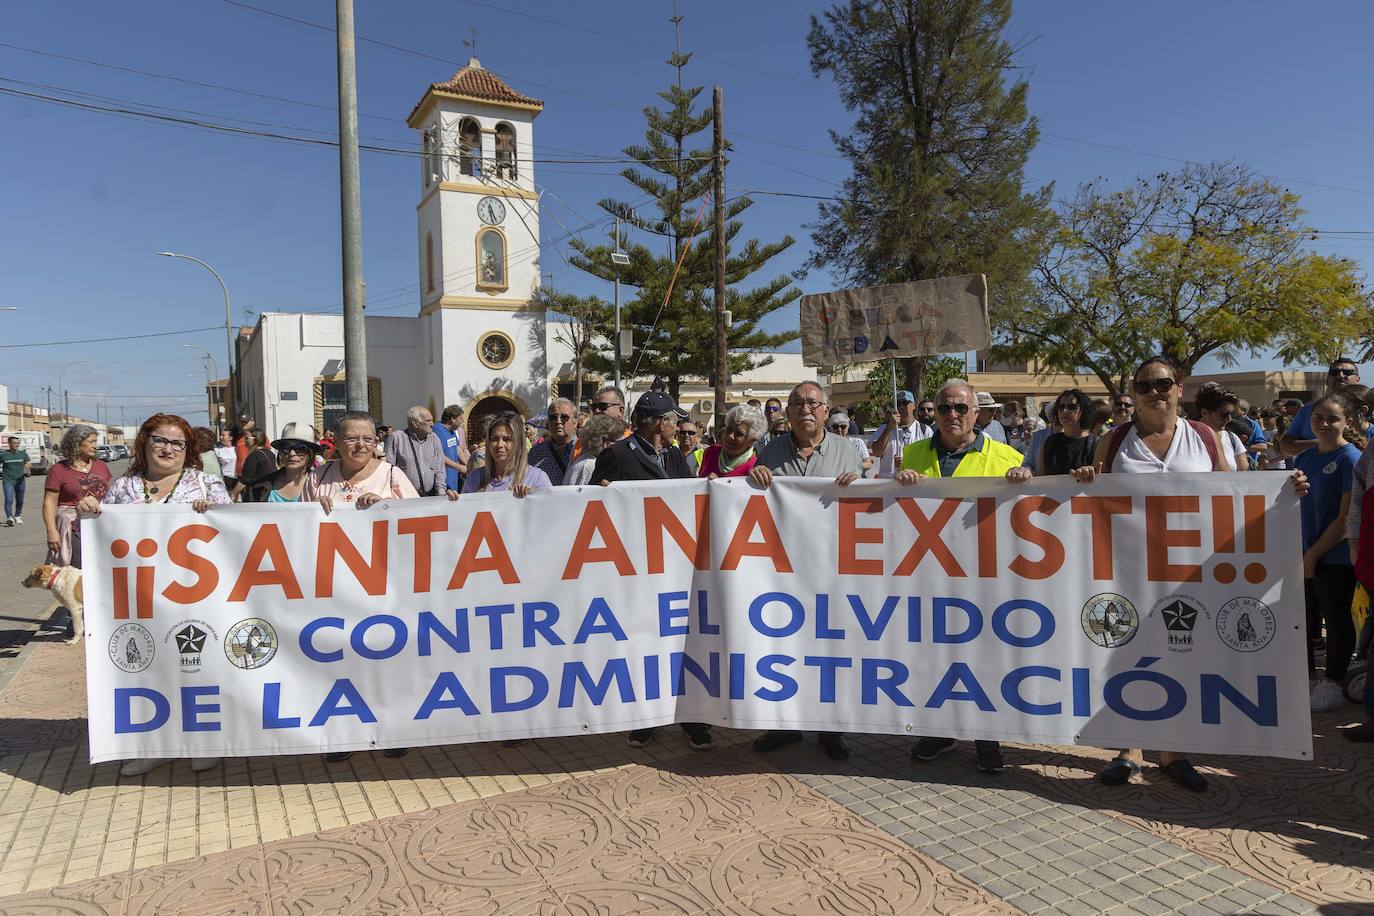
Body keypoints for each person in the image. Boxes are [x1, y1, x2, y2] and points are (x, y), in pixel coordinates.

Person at [1068, 354, 1309, 792]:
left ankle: (1174, 752)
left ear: (1179, 388)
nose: (1155, 392)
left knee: (1183, 656)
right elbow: (1089, 500)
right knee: (1124, 657)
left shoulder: (1204, 437)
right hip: (1127, 572)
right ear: (1134, 394)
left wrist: (1281, 491)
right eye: (1144, 386)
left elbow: (1234, 495)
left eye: (1163, 384)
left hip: (1190, 574)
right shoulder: (1115, 440)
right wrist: (1084, 478)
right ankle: (1128, 750)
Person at [80, 413, 230, 777]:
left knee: (198, 670)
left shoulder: (206, 484)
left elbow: (235, 533)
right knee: (148, 672)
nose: (167, 449)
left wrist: (215, 514)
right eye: (159, 441)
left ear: (188, 449)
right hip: (140, 599)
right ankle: (154, 746)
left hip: (196, 599)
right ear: (144, 444)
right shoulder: (122, 487)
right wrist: (89, 511)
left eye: (177, 443)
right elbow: (103, 538)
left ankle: (203, 743)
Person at [896, 380, 1027, 774]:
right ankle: (941, 731)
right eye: (944, 409)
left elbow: (1023, 511)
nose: (952, 415)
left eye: (960, 409)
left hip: (982, 575)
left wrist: (1025, 482)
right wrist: (899, 485)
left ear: (976, 414)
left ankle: (988, 739)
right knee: (936, 657)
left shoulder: (1005, 456)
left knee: (983, 659)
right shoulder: (913, 454)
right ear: (932, 413)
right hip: (929, 573)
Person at [590, 390, 711, 751]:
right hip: (636, 570)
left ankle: (693, 720)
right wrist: (602, 493)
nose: (677, 426)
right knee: (644, 645)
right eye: (673, 420)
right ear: (660, 423)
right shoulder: (615, 455)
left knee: (684, 645)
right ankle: (647, 719)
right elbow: (588, 504)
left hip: (677, 567)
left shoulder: (675, 455)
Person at [749, 382, 864, 762]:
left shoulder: (848, 451)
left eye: (812, 403)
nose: (804, 410)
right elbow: (750, 501)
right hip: (785, 570)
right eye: (796, 403)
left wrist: (860, 485)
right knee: (786, 649)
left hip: (832, 568)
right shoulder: (770, 451)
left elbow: (869, 503)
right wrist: (755, 478)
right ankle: (785, 726)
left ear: (826, 410)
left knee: (828, 651)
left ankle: (830, 730)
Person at [304, 412, 418, 763]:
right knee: (340, 663)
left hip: (383, 587)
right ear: (336, 442)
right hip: (334, 590)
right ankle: (344, 734)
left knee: (385, 660)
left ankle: (392, 729)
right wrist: (311, 511)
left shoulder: (393, 475)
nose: (360, 445)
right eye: (352, 438)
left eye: (367, 439)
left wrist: (388, 508)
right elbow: (294, 530)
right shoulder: (317, 477)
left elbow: (420, 522)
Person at [1292, 391, 1363, 712]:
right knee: (1304, 620)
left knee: (1335, 621)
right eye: (1318, 417)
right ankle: (1306, 678)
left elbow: (1346, 518)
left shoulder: (1351, 459)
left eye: (1332, 418)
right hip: (1304, 555)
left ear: (1347, 422)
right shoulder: (1305, 458)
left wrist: (1313, 555)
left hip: (1332, 558)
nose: (1323, 424)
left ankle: (1333, 682)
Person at [43, 425, 111, 568]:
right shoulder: (58, 470)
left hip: (101, 525)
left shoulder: (101, 466)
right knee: (79, 571)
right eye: (91, 442)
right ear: (76, 443)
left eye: (95, 441)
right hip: (74, 528)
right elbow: (49, 504)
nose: (95, 445)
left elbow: (110, 494)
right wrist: (52, 531)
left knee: (103, 569)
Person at [1280, 358, 1361, 457]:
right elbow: (1285, 445)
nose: (1340, 375)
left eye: (1347, 372)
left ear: (1358, 379)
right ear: (1327, 380)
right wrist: (1323, 443)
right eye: (1334, 372)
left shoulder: (1368, 409)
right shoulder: (1308, 410)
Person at [462, 413, 552, 495]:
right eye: (494, 439)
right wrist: (452, 502)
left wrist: (529, 502)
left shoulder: (536, 479)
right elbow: (463, 511)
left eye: (507, 439)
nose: (500, 445)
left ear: (519, 443)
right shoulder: (474, 478)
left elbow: (552, 510)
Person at [1031, 388, 1098, 477]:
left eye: (1072, 407)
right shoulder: (1050, 442)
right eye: (1061, 407)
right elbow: (1041, 478)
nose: (1065, 411)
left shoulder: (1096, 444)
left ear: (1083, 411)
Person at [385, 406, 449, 497]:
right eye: (428, 421)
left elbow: (440, 469)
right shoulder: (397, 438)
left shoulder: (434, 438)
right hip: (405, 498)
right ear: (415, 423)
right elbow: (388, 470)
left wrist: (441, 493)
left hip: (430, 497)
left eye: (432, 420)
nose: (432, 424)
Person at [871, 390, 932, 479]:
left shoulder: (925, 430)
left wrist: (907, 462)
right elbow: (876, 452)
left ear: (914, 406)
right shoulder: (884, 428)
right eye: (898, 404)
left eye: (905, 403)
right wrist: (889, 428)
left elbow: (930, 458)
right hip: (889, 485)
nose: (901, 407)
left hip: (914, 483)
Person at [699, 404, 766, 478]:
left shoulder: (754, 469)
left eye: (739, 433)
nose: (730, 436)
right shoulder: (710, 452)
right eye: (729, 429)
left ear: (751, 441)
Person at [1195, 383, 1248, 471]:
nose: (1229, 419)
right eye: (1223, 414)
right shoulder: (1187, 438)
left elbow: (1243, 474)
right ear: (1204, 413)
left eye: (1231, 414)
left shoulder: (1232, 439)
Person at [264, 423, 319, 502]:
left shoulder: (322, 485)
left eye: (300, 449)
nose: (292, 453)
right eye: (286, 448)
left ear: (310, 453)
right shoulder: (260, 485)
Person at [566, 415, 628, 486]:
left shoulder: (587, 461)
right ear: (604, 442)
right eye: (619, 443)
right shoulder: (589, 466)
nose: (623, 447)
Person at [528, 398, 577, 485]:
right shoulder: (536, 452)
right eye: (553, 417)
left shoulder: (585, 449)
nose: (558, 421)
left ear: (575, 421)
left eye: (564, 417)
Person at [233, 431, 277, 502]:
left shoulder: (253, 456)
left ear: (255, 439)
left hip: (258, 495)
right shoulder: (270, 453)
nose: (245, 440)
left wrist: (233, 493)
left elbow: (245, 480)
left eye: (247, 438)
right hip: (270, 492)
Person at [826, 409, 872, 474]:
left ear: (847, 427)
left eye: (843, 426)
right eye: (835, 427)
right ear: (831, 428)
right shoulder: (827, 444)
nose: (839, 429)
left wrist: (851, 467)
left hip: (856, 480)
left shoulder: (857, 443)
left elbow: (868, 464)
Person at [435, 404, 469, 493]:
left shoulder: (452, 431)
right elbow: (439, 455)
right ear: (453, 419)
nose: (463, 421)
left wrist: (468, 465)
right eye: (460, 419)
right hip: (443, 480)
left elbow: (457, 448)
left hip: (453, 478)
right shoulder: (437, 430)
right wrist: (459, 467)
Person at [3, 435, 31, 526]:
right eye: (14, 443)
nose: (17, 445)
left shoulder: (22, 454)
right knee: (9, 499)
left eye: (18, 443)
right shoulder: (3, 454)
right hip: (8, 480)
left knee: (20, 500)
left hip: (20, 480)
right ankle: (9, 517)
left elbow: (28, 462)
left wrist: (27, 467)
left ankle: (17, 515)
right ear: (9, 443)